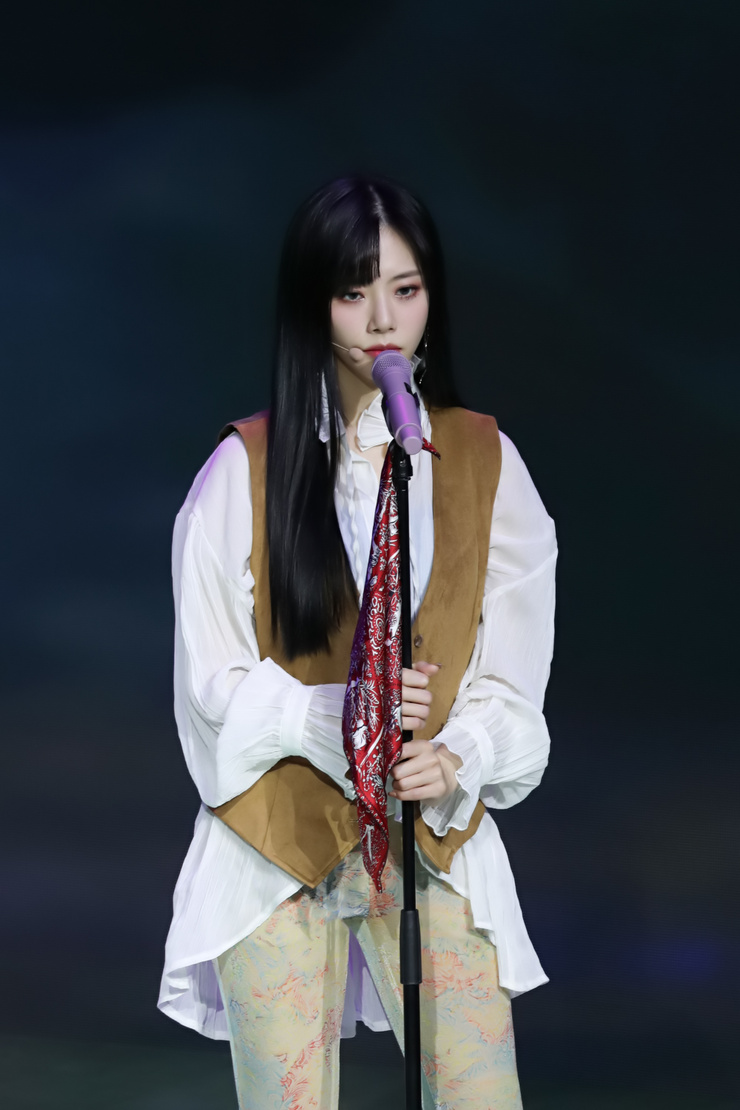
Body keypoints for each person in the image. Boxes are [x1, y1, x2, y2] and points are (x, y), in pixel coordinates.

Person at [158, 176, 557, 1110]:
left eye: (406, 290)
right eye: (354, 292)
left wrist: (458, 752)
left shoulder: (483, 463)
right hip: (277, 847)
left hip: (431, 837)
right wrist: (333, 713)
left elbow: (513, 683)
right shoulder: (243, 469)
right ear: (313, 303)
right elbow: (207, 687)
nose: (384, 320)